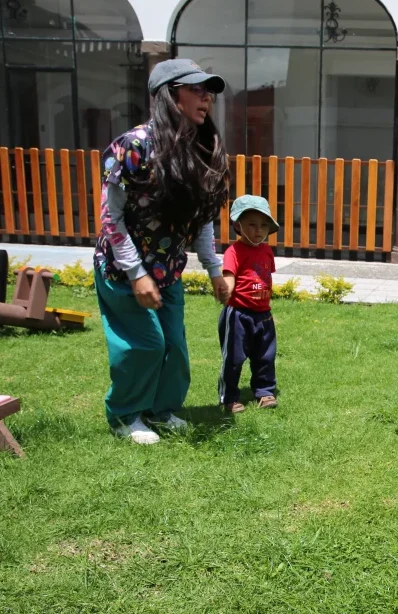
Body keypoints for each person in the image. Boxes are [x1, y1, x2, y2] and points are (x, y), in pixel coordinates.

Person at [94, 59, 231, 445]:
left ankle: (161, 410)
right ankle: (125, 416)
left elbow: (202, 217)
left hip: (168, 270)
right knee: (144, 345)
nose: (206, 98)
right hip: (123, 271)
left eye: (209, 92)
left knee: (174, 348)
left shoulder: (200, 148)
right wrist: (136, 273)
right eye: (196, 89)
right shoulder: (132, 146)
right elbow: (110, 218)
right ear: (169, 96)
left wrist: (214, 269)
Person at [218, 195, 280, 414]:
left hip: (264, 314)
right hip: (238, 314)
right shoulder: (233, 252)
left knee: (265, 356)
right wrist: (227, 289)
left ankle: (265, 392)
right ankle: (229, 397)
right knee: (234, 358)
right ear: (238, 226)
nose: (258, 230)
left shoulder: (267, 251)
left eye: (263, 225)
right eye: (252, 224)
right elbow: (229, 275)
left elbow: (264, 276)